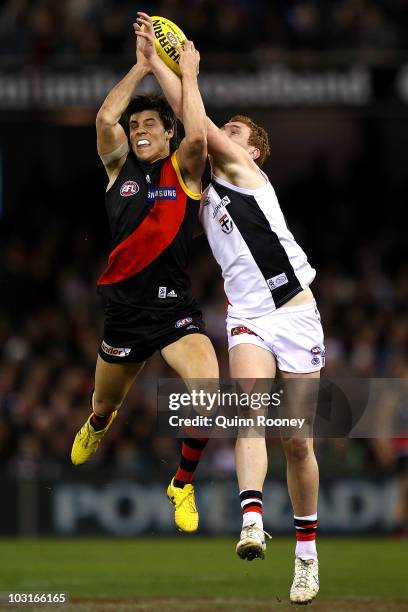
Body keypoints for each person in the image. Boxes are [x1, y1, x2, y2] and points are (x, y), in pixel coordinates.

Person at [135, 12, 324, 604]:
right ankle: (250, 522)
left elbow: (199, 121)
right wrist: (158, 65)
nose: (226, 134)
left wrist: (181, 68)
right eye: (228, 129)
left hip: (294, 311)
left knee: (296, 440)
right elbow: (192, 128)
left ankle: (307, 555)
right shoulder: (206, 184)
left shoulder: (246, 175)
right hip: (246, 317)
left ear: (256, 151)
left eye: (237, 131)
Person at [70, 27, 219, 534]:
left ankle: (181, 483)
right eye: (137, 125)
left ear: (168, 132)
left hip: (175, 312)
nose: (139, 130)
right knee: (104, 402)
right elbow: (104, 118)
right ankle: (97, 423)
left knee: (208, 391)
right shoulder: (120, 172)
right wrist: (141, 66)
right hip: (124, 315)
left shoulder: (186, 170)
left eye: (150, 123)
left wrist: (183, 74)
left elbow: (199, 136)